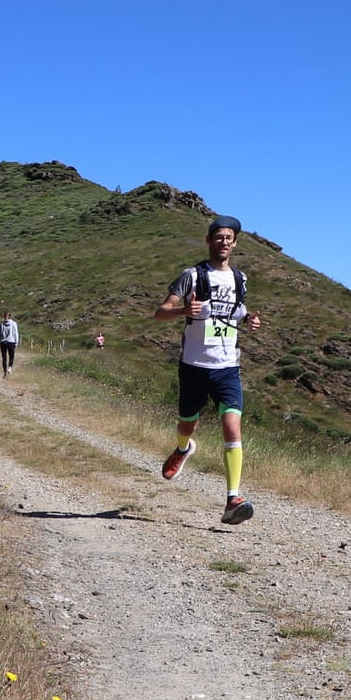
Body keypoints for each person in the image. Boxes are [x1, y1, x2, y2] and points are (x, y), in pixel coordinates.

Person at [152, 216, 263, 524]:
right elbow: (160, 313)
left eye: (229, 237)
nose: (224, 241)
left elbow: (236, 312)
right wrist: (184, 310)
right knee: (187, 425)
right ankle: (183, 449)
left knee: (232, 427)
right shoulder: (192, 276)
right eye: (219, 237)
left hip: (228, 368)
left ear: (235, 242)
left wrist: (251, 320)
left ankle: (232, 499)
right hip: (194, 367)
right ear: (209, 240)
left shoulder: (240, 279)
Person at [0, 311, 19, 378]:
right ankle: (9, 368)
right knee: (11, 356)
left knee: (4, 358)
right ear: (10, 316)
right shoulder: (14, 324)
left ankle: (5, 372)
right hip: (11, 342)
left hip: (3, 342)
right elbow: (15, 333)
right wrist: (16, 342)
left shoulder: (1, 324)